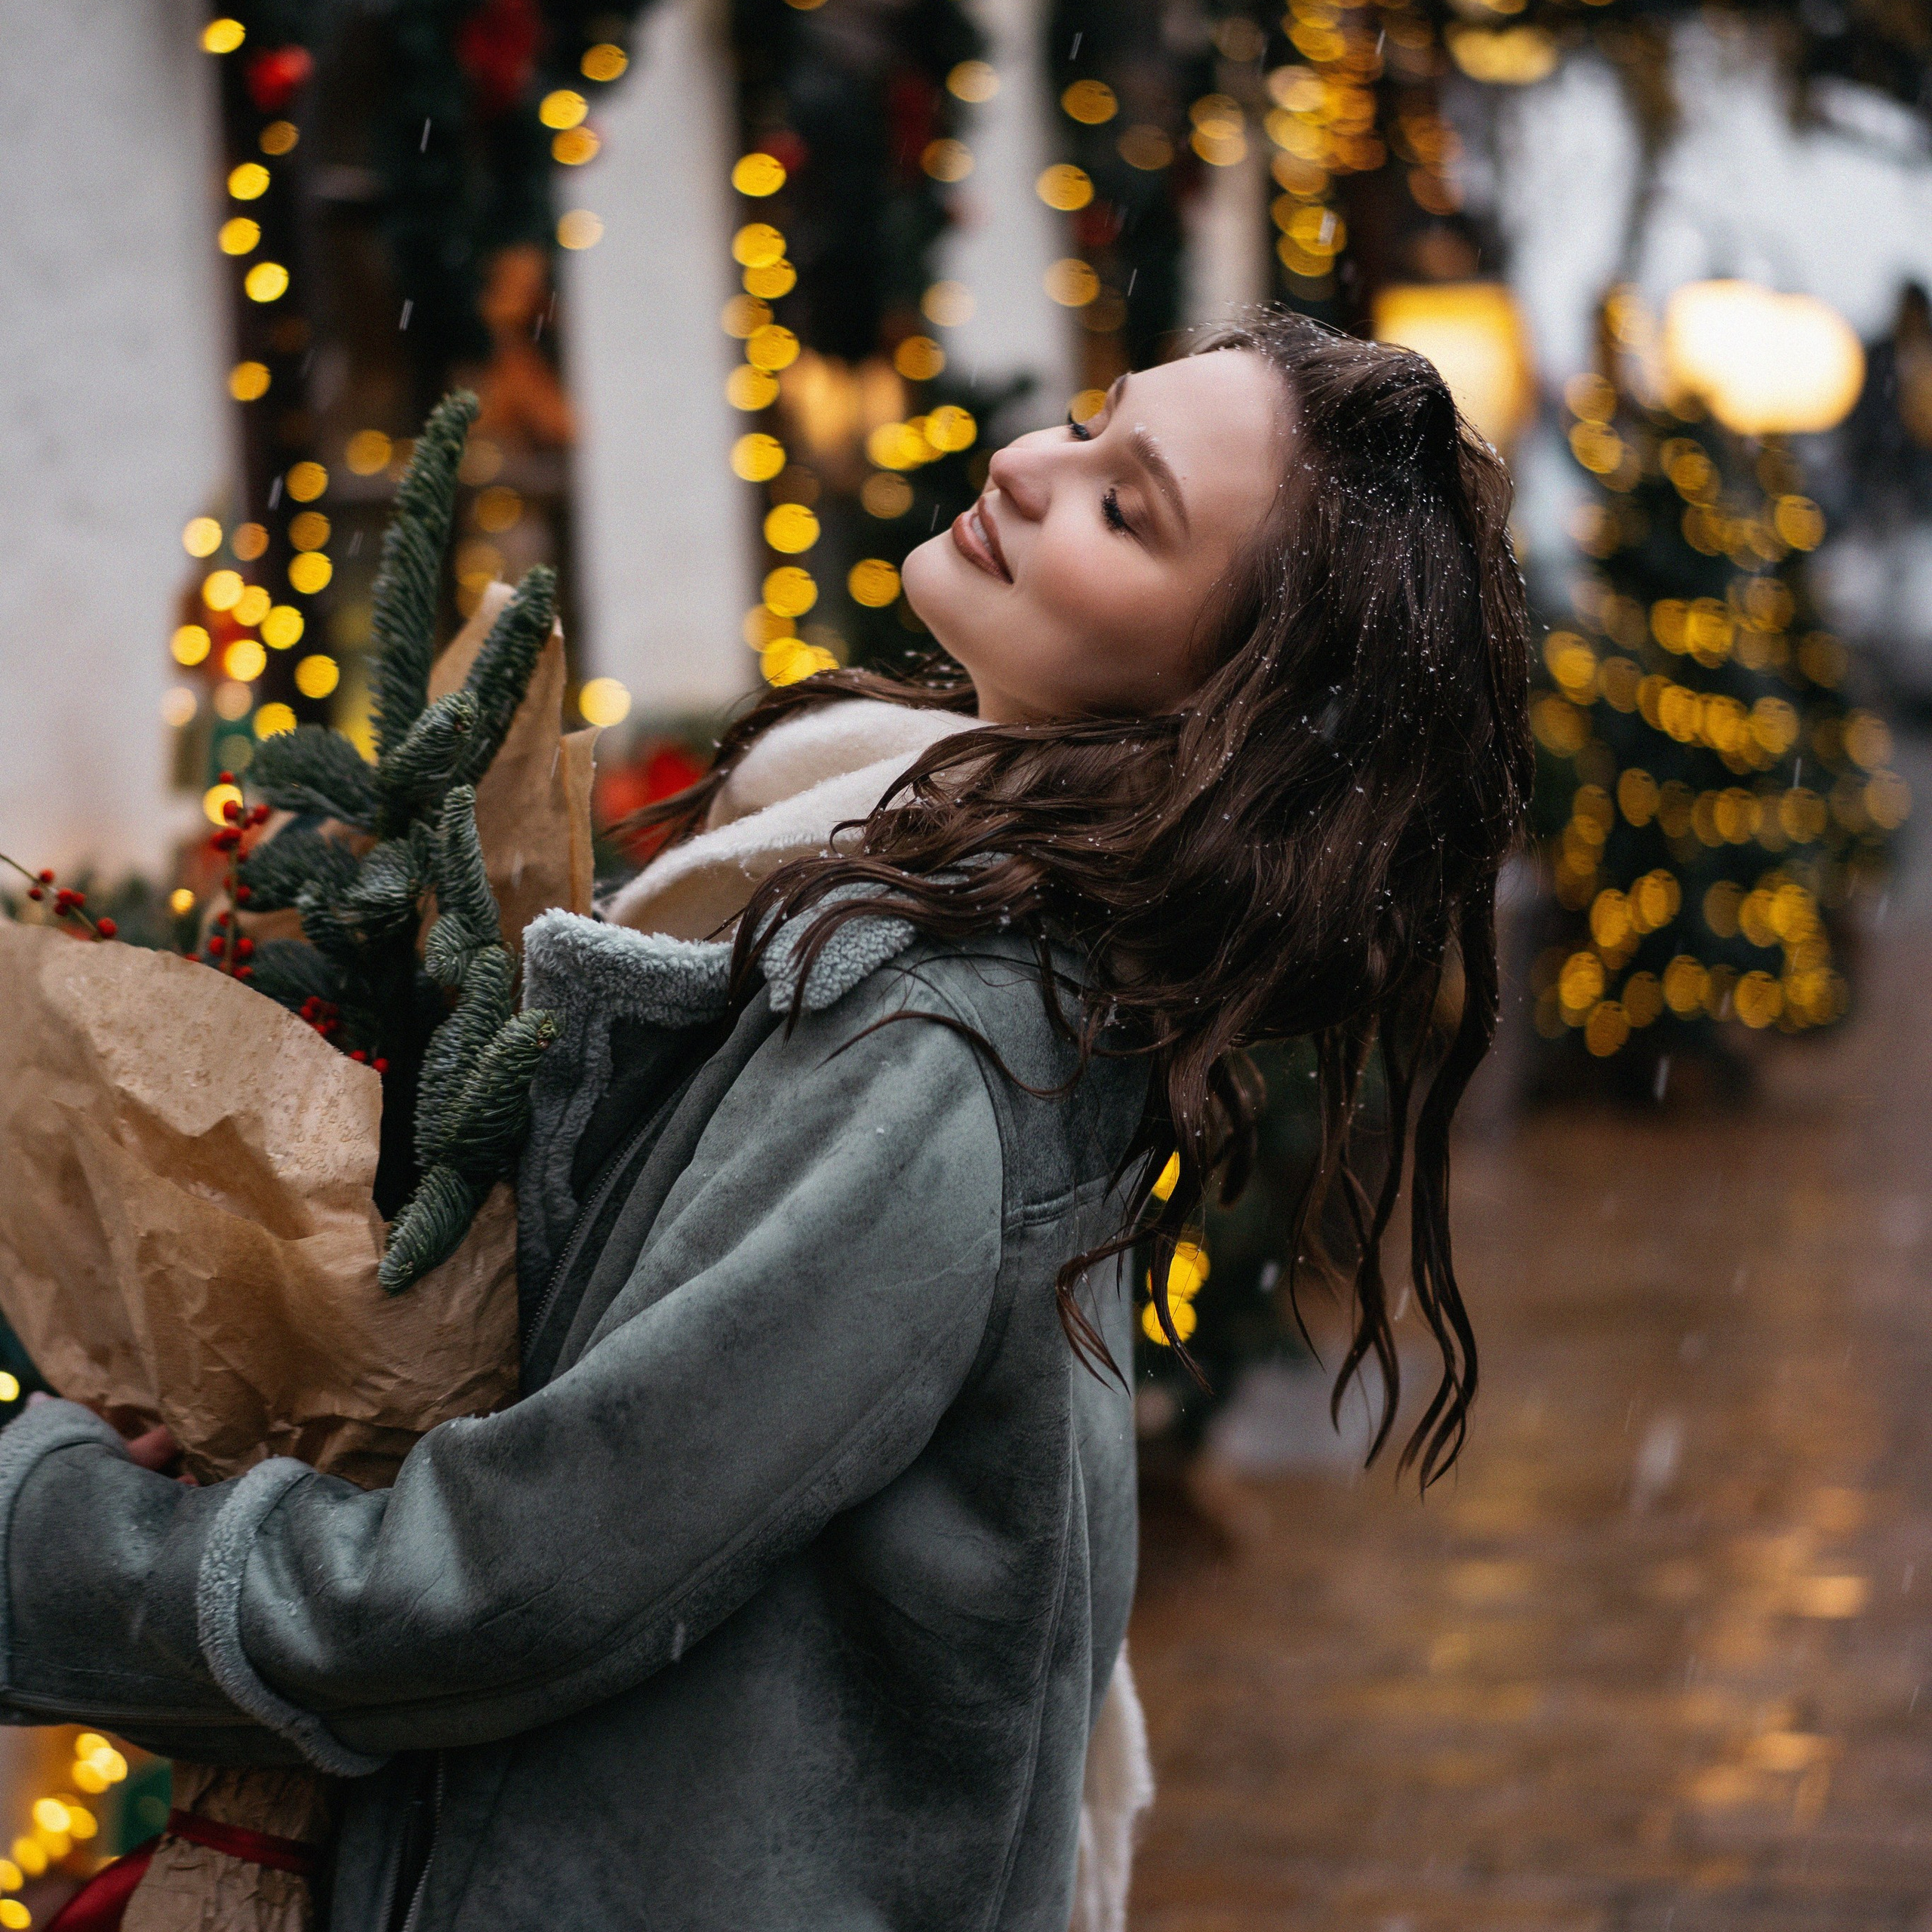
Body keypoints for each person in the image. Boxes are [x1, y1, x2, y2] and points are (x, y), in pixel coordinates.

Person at [0, 309, 1531, 1932]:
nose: (1024, 464)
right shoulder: (949, 930)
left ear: (1219, 710)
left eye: (1118, 503)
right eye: (1088, 423)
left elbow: (524, 1575)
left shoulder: (936, 1036)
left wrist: (54, 1532)